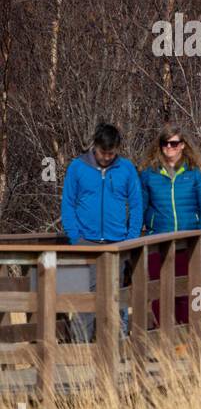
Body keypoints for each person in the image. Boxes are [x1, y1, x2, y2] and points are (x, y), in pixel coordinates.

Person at [60, 123, 143, 341]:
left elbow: (136, 205)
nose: (106, 157)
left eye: (111, 153)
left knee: (117, 296)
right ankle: (81, 348)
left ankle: (119, 345)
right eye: (103, 152)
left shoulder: (126, 169)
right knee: (83, 297)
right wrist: (75, 237)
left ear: (117, 149)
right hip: (85, 242)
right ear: (94, 146)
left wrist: (131, 238)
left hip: (118, 243)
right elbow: (67, 204)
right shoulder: (77, 167)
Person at [138, 123, 201, 327]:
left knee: (188, 290)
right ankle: (162, 334)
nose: (169, 148)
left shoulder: (196, 171)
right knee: (158, 291)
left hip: (188, 240)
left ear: (183, 145)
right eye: (165, 143)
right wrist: (141, 231)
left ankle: (185, 334)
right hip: (158, 239)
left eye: (174, 143)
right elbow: (140, 206)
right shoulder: (149, 173)